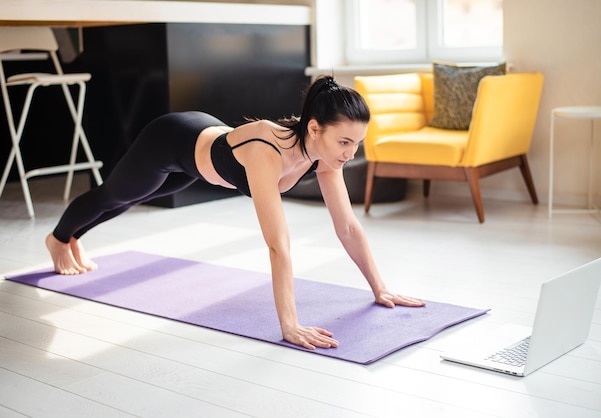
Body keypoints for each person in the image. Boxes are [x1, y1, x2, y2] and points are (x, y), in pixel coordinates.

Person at [45, 75, 425, 350]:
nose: (350, 153)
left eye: (357, 143)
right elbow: (278, 245)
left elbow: (346, 226)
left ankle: (74, 236)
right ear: (314, 128)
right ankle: (60, 238)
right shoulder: (266, 149)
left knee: (126, 200)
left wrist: (381, 288)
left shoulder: (326, 156)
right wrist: (289, 324)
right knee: (117, 196)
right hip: (171, 141)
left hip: (200, 157)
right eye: (344, 141)